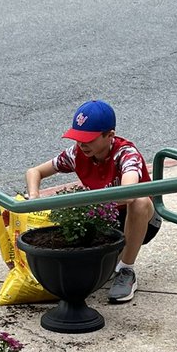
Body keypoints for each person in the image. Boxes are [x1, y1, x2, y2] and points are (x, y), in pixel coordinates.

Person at [25, 100, 157, 304]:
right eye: (78, 138)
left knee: (139, 201)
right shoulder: (77, 154)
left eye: (88, 139)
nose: (81, 144)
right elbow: (34, 171)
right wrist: (34, 197)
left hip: (138, 217)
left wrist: (86, 202)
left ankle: (126, 270)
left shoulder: (126, 154)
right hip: (104, 217)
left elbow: (129, 193)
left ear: (110, 135)